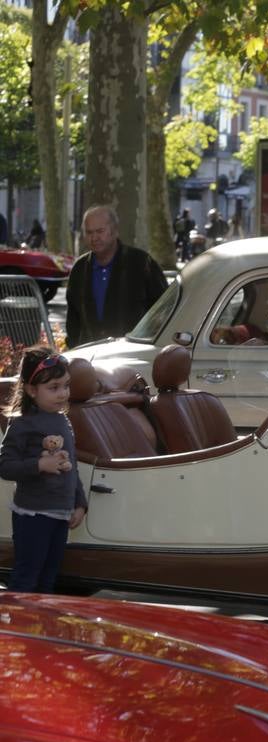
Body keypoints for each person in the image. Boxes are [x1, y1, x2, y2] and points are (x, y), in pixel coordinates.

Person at [0, 349, 88, 593]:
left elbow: (72, 469)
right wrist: (39, 465)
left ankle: (42, 626)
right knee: (26, 578)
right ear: (31, 390)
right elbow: (5, 466)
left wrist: (80, 503)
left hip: (60, 515)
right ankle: (16, 628)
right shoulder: (22, 424)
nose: (63, 394)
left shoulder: (63, 421)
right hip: (33, 516)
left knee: (48, 579)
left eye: (66, 386)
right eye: (54, 387)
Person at [65, 206, 169, 348]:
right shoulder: (80, 268)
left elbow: (163, 308)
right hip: (90, 354)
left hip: (134, 353)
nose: (94, 238)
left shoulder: (141, 263)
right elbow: (73, 319)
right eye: (89, 232)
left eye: (100, 231)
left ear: (114, 231)